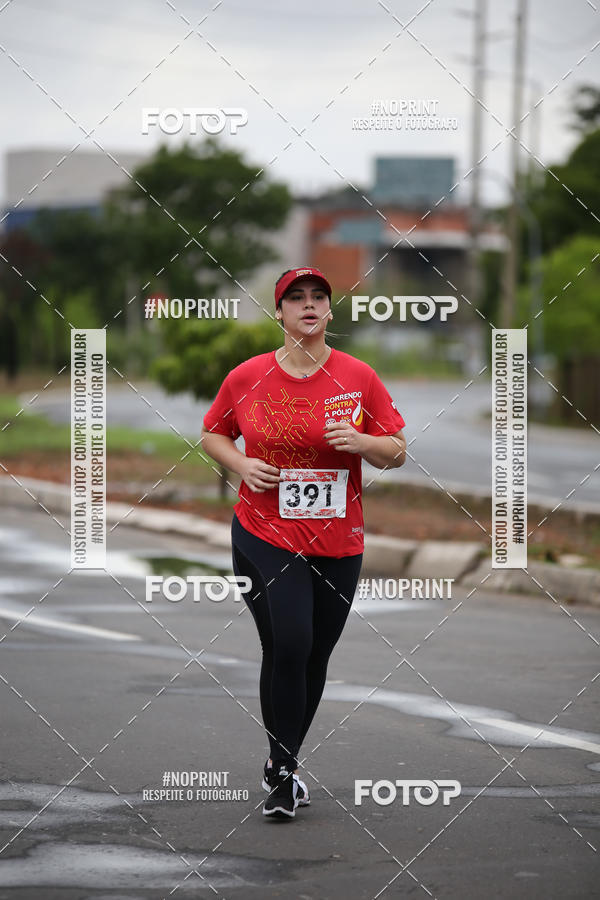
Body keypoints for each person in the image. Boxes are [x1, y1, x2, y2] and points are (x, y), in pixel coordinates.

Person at [201, 266, 406, 818]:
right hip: (264, 532)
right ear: (280, 312)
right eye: (296, 298)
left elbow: (397, 450)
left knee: (313, 654)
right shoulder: (247, 377)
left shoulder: (358, 377)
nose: (308, 305)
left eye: (318, 297)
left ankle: (279, 761)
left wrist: (362, 441)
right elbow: (212, 433)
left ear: (330, 311)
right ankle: (286, 776)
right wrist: (243, 463)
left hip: (339, 539)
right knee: (290, 641)